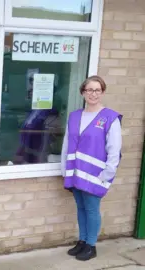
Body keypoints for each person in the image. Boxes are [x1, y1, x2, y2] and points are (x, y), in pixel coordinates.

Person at [61, 75, 122, 261]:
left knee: (92, 209)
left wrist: (107, 174)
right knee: (81, 207)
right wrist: (64, 168)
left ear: (102, 92)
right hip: (76, 173)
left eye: (97, 90)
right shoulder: (74, 116)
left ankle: (91, 245)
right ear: (83, 92)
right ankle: (82, 241)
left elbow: (115, 148)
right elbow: (66, 143)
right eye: (89, 90)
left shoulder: (110, 118)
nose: (93, 94)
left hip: (96, 175)